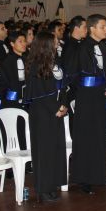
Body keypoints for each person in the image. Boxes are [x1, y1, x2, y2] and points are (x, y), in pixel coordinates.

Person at [70, 14, 106, 194]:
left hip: (100, 96)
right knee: (85, 136)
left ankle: (98, 175)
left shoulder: (104, 46)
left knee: (98, 135)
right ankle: (83, 178)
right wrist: (85, 88)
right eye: (103, 27)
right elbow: (73, 74)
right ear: (92, 29)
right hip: (86, 97)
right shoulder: (82, 48)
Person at [24, 31, 68, 201]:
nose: (58, 43)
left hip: (56, 111)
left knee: (55, 148)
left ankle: (53, 184)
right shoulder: (36, 65)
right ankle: (43, 189)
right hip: (42, 113)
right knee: (44, 151)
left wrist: (63, 104)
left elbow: (62, 86)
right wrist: (55, 107)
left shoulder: (56, 62)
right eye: (55, 41)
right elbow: (40, 93)